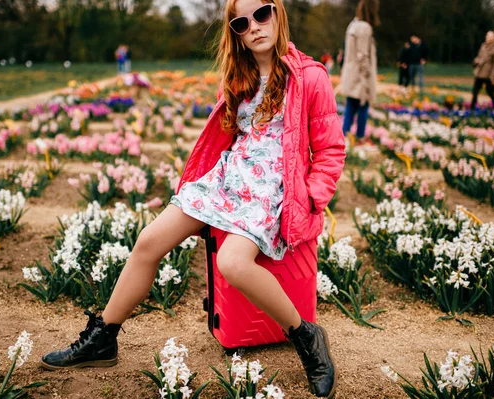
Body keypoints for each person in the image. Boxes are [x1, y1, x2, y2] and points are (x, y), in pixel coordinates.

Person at [40, 0, 345, 397]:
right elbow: (231, 138)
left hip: (271, 191)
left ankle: (308, 338)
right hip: (226, 180)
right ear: (234, 32)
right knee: (148, 242)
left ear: (279, 13)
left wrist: (310, 198)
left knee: (234, 263)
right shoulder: (239, 76)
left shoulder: (310, 77)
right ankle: (103, 337)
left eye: (262, 14)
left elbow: (330, 150)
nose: (253, 26)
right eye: (241, 22)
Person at [340, 0, 379, 145]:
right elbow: (363, 56)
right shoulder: (364, 28)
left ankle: (344, 136)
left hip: (351, 73)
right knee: (363, 106)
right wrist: (367, 78)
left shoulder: (353, 25)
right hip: (360, 76)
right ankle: (360, 136)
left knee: (350, 106)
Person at [472, 30, 494, 110]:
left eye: (489, 36)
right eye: (487, 35)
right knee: (475, 91)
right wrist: (476, 61)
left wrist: (493, 77)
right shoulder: (483, 46)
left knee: (490, 92)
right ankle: (472, 108)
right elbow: (479, 56)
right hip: (479, 73)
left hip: (488, 75)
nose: (487, 37)